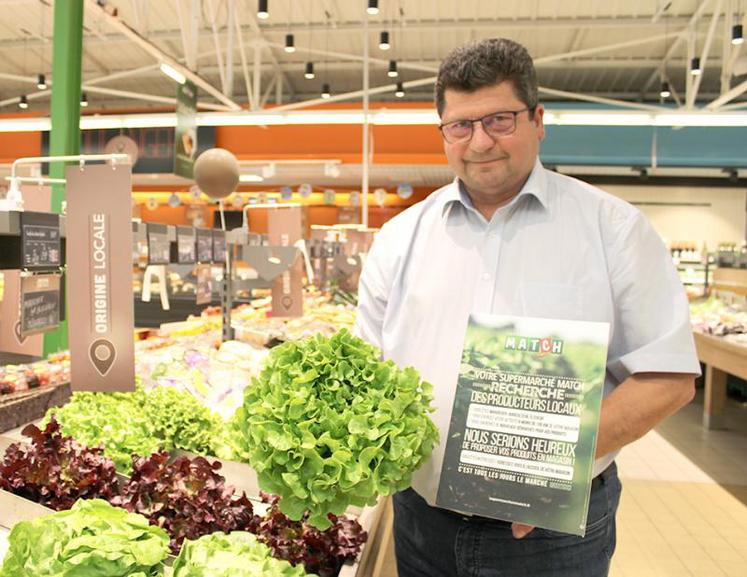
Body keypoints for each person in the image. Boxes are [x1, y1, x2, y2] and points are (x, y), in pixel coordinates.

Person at [355, 38, 700, 577]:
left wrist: (543, 468)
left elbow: (667, 376)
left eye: (499, 119)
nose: (479, 142)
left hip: (552, 536)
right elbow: (367, 368)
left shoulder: (612, 229)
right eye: (461, 126)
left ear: (538, 119)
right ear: (443, 132)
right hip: (421, 520)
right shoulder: (400, 237)